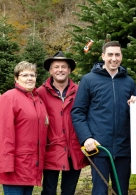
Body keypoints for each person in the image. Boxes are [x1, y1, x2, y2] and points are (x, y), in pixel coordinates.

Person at [71, 41, 136, 195]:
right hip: (99, 147)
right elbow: (78, 112)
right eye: (110, 55)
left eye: (117, 55)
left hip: (123, 149)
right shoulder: (89, 80)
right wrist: (86, 138)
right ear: (103, 56)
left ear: (121, 56)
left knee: (121, 191)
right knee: (100, 191)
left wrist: (135, 104)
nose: (114, 58)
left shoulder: (129, 82)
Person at [37, 51, 89, 195]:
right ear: (50, 70)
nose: (60, 70)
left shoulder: (80, 91)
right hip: (51, 149)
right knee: (48, 190)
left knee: (69, 190)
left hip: (74, 149)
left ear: (69, 70)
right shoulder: (40, 92)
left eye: (64, 66)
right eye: (56, 67)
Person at [0, 61, 49, 195]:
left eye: (32, 75)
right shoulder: (9, 97)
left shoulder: (37, 100)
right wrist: (6, 165)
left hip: (31, 165)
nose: (29, 78)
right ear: (16, 78)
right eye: (25, 75)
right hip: (15, 166)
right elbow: (5, 133)